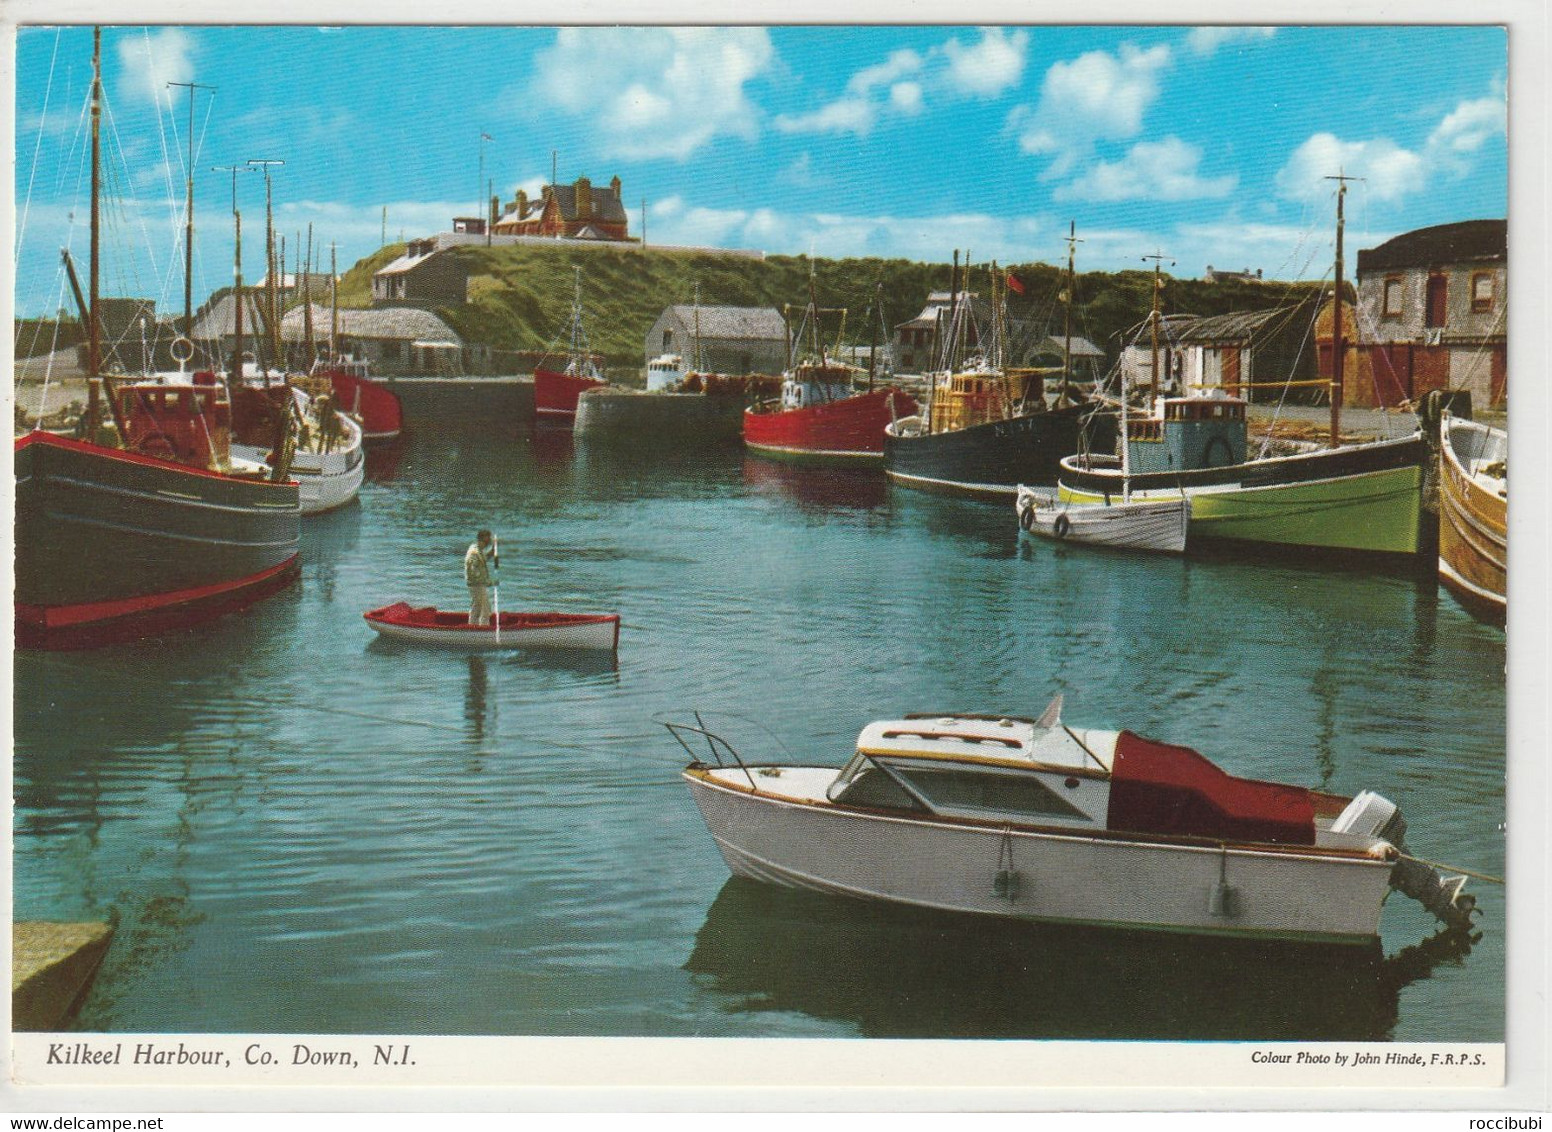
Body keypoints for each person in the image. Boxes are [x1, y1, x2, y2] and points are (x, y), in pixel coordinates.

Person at [465, 529, 498, 627]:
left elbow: (484, 559)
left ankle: (472, 626)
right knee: (485, 607)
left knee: (477, 605)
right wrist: (489, 582)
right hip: (477, 584)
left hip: (477, 584)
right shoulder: (474, 552)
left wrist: (493, 550)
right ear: (483, 540)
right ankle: (484, 627)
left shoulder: (478, 549)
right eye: (488, 540)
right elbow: (474, 570)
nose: (488, 543)